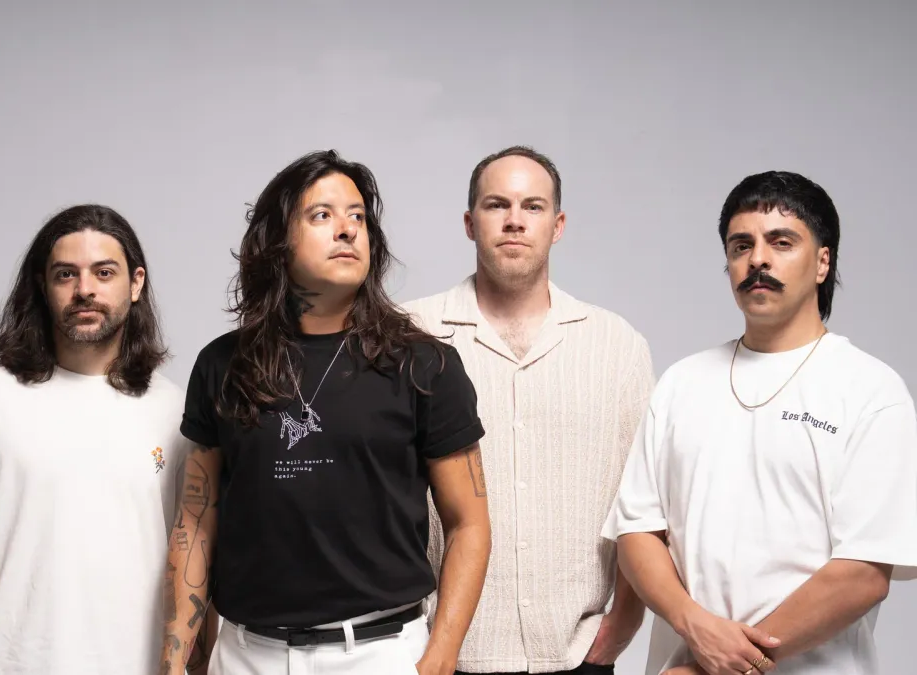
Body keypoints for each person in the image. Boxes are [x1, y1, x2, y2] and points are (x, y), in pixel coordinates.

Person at [159, 149, 492, 675]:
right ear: (277, 242)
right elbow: (196, 522)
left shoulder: (424, 365)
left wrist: (442, 655)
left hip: (380, 654)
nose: (347, 229)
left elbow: (468, 522)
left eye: (358, 216)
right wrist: (174, 661)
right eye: (322, 215)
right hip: (247, 655)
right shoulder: (223, 364)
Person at [603, 170, 917, 675]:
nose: (757, 260)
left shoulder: (871, 391)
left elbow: (863, 571)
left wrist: (722, 666)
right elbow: (637, 533)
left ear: (823, 262)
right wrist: (694, 627)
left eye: (781, 242)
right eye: (741, 246)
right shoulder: (682, 382)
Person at [0, 204, 213, 674]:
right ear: (43, 286)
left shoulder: (177, 412)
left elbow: (195, 553)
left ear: (136, 284)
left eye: (103, 272)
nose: (84, 289)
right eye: (66, 274)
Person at [404, 145, 653, 675]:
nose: (514, 221)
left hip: (578, 655)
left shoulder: (616, 345)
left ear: (557, 225)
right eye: (497, 205)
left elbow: (646, 501)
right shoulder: (409, 335)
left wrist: (623, 625)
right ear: (470, 223)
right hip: (438, 654)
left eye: (532, 206)